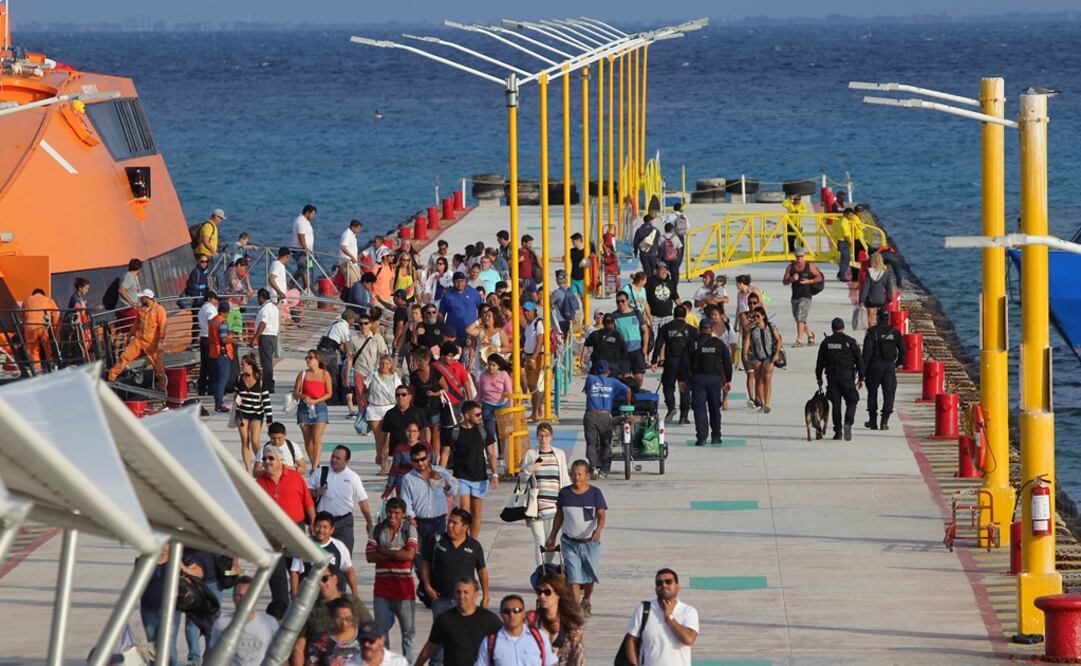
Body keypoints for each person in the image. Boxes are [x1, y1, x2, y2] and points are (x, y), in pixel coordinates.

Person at [419, 509, 491, 656]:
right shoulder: (437, 540)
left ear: (465, 527)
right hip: (441, 599)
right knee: (439, 642)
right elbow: (425, 564)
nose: (450, 525)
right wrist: (427, 586)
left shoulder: (474, 546)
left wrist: (486, 596)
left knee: (466, 641)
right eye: (449, 522)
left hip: (466, 603)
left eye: (454, 523)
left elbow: (482, 571)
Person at [544, 460, 607, 618]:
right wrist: (552, 536)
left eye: (579, 474)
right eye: (573, 473)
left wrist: (598, 531)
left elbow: (601, 514)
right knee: (574, 576)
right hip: (569, 542)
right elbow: (559, 515)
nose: (576, 477)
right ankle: (576, 608)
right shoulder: (564, 493)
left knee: (589, 576)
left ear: (587, 476)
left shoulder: (595, 493)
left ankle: (586, 600)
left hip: (590, 543)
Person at [257, 445, 315, 606]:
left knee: (300, 568)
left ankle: (301, 602)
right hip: (272, 533)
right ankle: (281, 607)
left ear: (281, 461)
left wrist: (314, 522)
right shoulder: (260, 482)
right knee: (276, 574)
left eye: (270, 458)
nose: (266, 462)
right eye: (264, 459)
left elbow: (308, 502)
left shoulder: (295, 477)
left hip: (295, 529)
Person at [366, 497, 417, 662]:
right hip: (382, 591)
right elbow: (370, 556)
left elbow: (409, 555)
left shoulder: (409, 529)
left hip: (404, 591)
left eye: (396, 512)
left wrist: (384, 551)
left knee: (408, 634)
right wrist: (397, 554)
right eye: (389, 511)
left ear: (403, 514)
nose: (392, 515)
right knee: (381, 632)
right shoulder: (376, 530)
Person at [292, 565, 374, 665]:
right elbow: (299, 647)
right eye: (316, 581)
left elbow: (372, 633)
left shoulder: (353, 602)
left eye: (324, 579)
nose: (321, 584)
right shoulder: (308, 609)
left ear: (335, 579)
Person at [441, 401, 499, 538]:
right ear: (467, 415)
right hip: (461, 477)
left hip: (480, 477)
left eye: (481, 414)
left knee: (476, 512)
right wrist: (441, 475)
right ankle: (463, 538)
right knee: (465, 511)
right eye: (477, 414)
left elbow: (491, 454)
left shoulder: (484, 431)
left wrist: (495, 475)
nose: (481, 417)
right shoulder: (454, 431)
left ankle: (472, 542)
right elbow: (445, 453)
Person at [415, 577, 501, 666]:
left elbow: (506, 641)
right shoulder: (444, 619)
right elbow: (430, 646)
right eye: (458, 592)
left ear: (475, 595)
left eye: (466, 592)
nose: (461, 596)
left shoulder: (489, 619)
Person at [620, 568, 699, 666]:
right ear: (656, 590)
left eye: (668, 582)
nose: (664, 585)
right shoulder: (644, 609)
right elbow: (631, 639)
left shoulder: (688, 611)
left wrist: (669, 618)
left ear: (678, 587)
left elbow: (689, 639)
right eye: (659, 583)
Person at [520, 423, 571, 567]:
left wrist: (568, 500)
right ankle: (541, 572)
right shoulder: (531, 454)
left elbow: (564, 478)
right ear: (536, 437)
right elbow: (522, 479)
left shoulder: (559, 454)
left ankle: (546, 567)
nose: (543, 438)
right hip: (535, 506)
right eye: (540, 435)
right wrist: (529, 469)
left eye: (546, 435)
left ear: (551, 437)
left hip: (554, 506)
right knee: (539, 541)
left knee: (550, 541)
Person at [310, 445, 374, 554]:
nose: (334, 460)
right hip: (323, 523)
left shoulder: (353, 477)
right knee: (319, 557)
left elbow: (362, 501)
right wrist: (316, 493)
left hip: (344, 523)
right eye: (333, 457)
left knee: (344, 556)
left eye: (338, 458)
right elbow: (306, 492)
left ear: (346, 461)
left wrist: (369, 522)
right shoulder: (320, 472)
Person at [208, 575, 278, 665]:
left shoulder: (269, 623)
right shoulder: (221, 624)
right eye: (239, 595)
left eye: (247, 595)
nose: (243, 599)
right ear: (233, 597)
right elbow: (211, 655)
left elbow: (279, 656)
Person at [106, 289, 167, 389]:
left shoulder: (159, 310)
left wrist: (161, 340)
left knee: (157, 363)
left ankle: (162, 384)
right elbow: (136, 324)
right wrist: (130, 335)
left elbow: (162, 325)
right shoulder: (140, 309)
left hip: (152, 341)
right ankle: (111, 378)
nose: (140, 299)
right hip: (139, 339)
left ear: (148, 298)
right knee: (124, 357)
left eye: (142, 297)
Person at [815, 317, 865, 441]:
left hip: (832, 378)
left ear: (832, 329)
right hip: (847, 377)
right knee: (852, 400)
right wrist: (861, 378)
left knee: (836, 405)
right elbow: (859, 360)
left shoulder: (826, 342)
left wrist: (819, 377)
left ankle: (838, 432)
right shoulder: (850, 341)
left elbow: (820, 362)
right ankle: (848, 422)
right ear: (843, 328)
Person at [474, 594, 558, 666]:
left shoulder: (539, 637)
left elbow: (551, 663)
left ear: (523, 613)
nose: (512, 614)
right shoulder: (490, 643)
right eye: (507, 611)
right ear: (501, 614)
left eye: (516, 610)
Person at [581, 361, 632, 479]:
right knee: (606, 444)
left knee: (591, 444)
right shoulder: (612, 381)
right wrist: (628, 403)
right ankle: (604, 470)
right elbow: (628, 390)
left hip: (590, 415)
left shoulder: (590, 379)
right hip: (605, 416)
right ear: (608, 371)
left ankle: (593, 468)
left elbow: (587, 391)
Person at [290, 511, 358, 597]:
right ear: (313, 527)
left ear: (332, 530)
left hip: (335, 596)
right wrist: (294, 594)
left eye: (325, 527)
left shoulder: (339, 546)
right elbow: (295, 571)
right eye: (318, 526)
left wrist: (355, 593)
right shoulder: (304, 545)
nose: (321, 530)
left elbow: (349, 570)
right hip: (311, 596)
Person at [688, 320, 733, 446]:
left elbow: (685, 362)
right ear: (711, 329)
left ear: (699, 328)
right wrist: (728, 380)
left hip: (698, 379)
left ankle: (701, 437)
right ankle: (716, 435)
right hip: (714, 379)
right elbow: (727, 363)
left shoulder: (693, 343)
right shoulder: (719, 344)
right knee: (714, 409)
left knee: (699, 409)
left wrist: (683, 379)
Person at [651, 304, 696, 424]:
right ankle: (684, 416)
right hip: (685, 362)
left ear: (674, 315)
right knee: (684, 388)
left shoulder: (666, 328)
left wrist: (654, 361)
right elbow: (696, 346)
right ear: (685, 315)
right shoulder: (691, 329)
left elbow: (658, 344)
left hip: (671, 361)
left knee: (668, 386)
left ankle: (671, 408)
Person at [862, 310, 905, 431]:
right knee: (889, 394)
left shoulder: (872, 332)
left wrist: (863, 368)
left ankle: (873, 421)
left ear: (878, 318)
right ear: (888, 318)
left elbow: (866, 352)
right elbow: (903, 349)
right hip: (889, 367)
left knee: (872, 394)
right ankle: (884, 421)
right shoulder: (895, 332)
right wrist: (898, 363)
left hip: (874, 367)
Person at [530, 574, 585, 666]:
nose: (542, 596)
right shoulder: (533, 621)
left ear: (558, 594)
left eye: (547, 592)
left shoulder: (571, 625)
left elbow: (578, 660)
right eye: (539, 592)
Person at [235, 353, 274, 472]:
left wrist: (269, 418)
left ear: (251, 365)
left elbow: (266, 400)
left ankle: (263, 463)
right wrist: (236, 398)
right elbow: (236, 393)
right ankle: (248, 470)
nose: (241, 367)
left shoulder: (261, 379)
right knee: (245, 441)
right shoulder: (239, 378)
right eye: (241, 364)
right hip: (242, 413)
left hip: (257, 414)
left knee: (255, 442)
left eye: (243, 364)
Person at [294, 350, 333, 467]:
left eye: (310, 358)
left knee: (316, 437)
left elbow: (329, 393)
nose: (307, 360)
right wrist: (303, 396)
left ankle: (315, 467)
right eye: (306, 358)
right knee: (307, 440)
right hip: (304, 408)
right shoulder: (303, 374)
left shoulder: (325, 374)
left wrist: (316, 401)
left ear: (317, 360)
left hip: (319, 407)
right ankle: (315, 463)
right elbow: (295, 392)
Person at [366, 355, 403, 475]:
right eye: (382, 363)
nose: (384, 366)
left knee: (388, 439)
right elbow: (363, 387)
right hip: (374, 408)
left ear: (391, 365)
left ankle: (385, 465)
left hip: (389, 408)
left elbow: (400, 392)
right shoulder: (373, 374)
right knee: (379, 439)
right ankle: (381, 460)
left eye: (387, 364)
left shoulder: (394, 377)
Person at [782, 247, 823, 347]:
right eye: (797, 257)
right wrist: (792, 279)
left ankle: (799, 340)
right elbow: (784, 281)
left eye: (801, 256)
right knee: (798, 318)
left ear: (804, 256)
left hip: (806, 296)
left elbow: (819, 277)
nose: (799, 258)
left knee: (800, 317)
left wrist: (809, 281)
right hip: (795, 296)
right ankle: (810, 335)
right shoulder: (791, 267)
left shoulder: (809, 266)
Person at [744, 306, 782, 413]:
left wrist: (777, 354)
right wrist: (745, 353)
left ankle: (767, 403)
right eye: (754, 316)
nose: (755, 318)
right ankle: (762, 403)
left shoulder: (771, 326)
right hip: (757, 357)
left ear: (763, 316)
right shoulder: (752, 328)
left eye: (758, 316)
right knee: (759, 381)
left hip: (769, 357)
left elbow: (778, 340)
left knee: (767, 379)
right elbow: (747, 341)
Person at [318, 309, 357, 406]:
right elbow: (346, 344)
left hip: (321, 349)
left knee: (324, 375)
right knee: (333, 376)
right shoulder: (344, 327)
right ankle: (333, 399)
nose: (354, 321)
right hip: (329, 351)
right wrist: (349, 356)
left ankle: (325, 397)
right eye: (353, 319)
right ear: (349, 319)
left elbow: (338, 343)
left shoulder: (335, 323)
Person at [612, 291, 650, 385]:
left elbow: (645, 330)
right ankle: (628, 397)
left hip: (637, 350)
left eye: (622, 301)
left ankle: (636, 394)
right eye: (618, 302)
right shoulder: (614, 316)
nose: (620, 303)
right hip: (623, 352)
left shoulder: (636, 313)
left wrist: (645, 349)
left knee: (639, 377)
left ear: (627, 301)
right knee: (626, 378)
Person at [410, 348, 444, 450]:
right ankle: (424, 455)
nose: (419, 363)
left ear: (428, 359)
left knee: (436, 435)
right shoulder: (414, 375)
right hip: (419, 407)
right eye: (417, 360)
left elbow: (445, 389)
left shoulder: (436, 372)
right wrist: (410, 406)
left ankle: (435, 460)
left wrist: (435, 394)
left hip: (435, 407)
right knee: (422, 434)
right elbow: (411, 392)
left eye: (421, 360)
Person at [20, 288, 60, 373]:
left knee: (33, 350)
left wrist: (23, 329)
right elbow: (56, 314)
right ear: (43, 294)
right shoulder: (48, 300)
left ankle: (36, 370)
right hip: (44, 326)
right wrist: (55, 328)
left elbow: (21, 316)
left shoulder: (26, 300)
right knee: (48, 348)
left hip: (29, 326)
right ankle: (51, 367)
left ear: (33, 294)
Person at [477, 354, 513, 445]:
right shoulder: (483, 375)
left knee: (502, 433)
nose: (491, 367)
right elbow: (480, 393)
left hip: (502, 405)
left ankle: (501, 454)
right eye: (489, 364)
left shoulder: (504, 375)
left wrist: (511, 410)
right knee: (489, 433)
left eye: (493, 365)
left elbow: (509, 393)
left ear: (498, 366)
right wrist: (473, 404)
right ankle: (491, 454)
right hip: (487, 406)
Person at [208, 301, 237, 412]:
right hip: (222, 354)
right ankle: (219, 405)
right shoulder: (222, 322)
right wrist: (235, 339)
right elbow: (224, 339)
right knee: (222, 381)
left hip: (213, 353)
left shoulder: (213, 321)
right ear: (227, 312)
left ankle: (217, 403)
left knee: (216, 380)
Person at [440, 272, 484, 343]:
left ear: (465, 281)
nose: (460, 283)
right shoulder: (447, 295)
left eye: (462, 281)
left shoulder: (473, 292)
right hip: (453, 334)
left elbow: (482, 308)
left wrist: (481, 324)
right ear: (453, 282)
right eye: (457, 281)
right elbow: (441, 314)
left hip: (471, 333)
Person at [250, 288, 280, 392]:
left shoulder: (266, 308)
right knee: (268, 361)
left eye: (258, 298)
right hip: (272, 336)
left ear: (261, 297)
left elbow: (263, 323)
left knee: (266, 362)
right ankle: (268, 384)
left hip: (266, 336)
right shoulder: (274, 307)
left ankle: (268, 385)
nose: (257, 300)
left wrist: (255, 338)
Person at [860, 251, 895, 331]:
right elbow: (889, 286)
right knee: (881, 316)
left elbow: (866, 287)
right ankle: (880, 331)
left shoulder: (869, 273)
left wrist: (862, 299)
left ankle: (871, 331)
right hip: (881, 299)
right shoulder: (885, 273)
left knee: (870, 318)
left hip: (871, 299)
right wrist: (889, 298)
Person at [521, 301, 544, 421]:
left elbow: (540, 341)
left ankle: (536, 412)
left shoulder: (538, 323)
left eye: (528, 311)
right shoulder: (530, 324)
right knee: (531, 385)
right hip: (528, 356)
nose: (526, 313)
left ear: (534, 311)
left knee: (534, 386)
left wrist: (534, 358)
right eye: (524, 311)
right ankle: (537, 411)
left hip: (536, 356)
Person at [196, 291, 220, 395]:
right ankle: (211, 389)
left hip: (203, 338)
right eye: (215, 299)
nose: (216, 301)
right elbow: (212, 321)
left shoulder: (201, 309)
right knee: (212, 365)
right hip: (210, 339)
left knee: (204, 366)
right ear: (210, 299)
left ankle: (201, 389)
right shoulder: (210, 308)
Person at [293, 204, 318, 291]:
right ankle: (306, 288)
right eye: (313, 214)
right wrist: (305, 248)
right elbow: (301, 236)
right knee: (304, 268)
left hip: (309, 251)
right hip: (301, 250)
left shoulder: (306, 222)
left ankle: (305, 286)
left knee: (309, 267)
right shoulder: (301, 221)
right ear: (307, 212)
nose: (314, 216)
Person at [550, 270, 579, 339]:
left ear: (557, 279)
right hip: (569, 320)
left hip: (559, 321)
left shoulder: (557, 292)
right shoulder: (571, 291)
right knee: (566, 343)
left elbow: (549, 303)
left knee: (559, 344)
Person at [833, 207, 857, 282]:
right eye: (850, 215)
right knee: (845, 259)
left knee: (845, 259)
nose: (851, 217)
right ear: (845, 214)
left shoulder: (843, 220)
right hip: (843, 242)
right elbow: (846, 234)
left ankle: (840, 274)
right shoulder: (844, 222)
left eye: (852, 215)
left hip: (842, 243)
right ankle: (841, 276)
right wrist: (851, 243)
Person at [340, 219, 363, 287]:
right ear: (353, 227)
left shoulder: (352, 235)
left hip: (353, 263)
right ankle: (352, 297)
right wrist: (352, 257)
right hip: (347, 262)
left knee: (359, 281)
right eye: (358, 228)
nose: (359, 230)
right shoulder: (347, 234)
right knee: (354, 283)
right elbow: (343, 247)